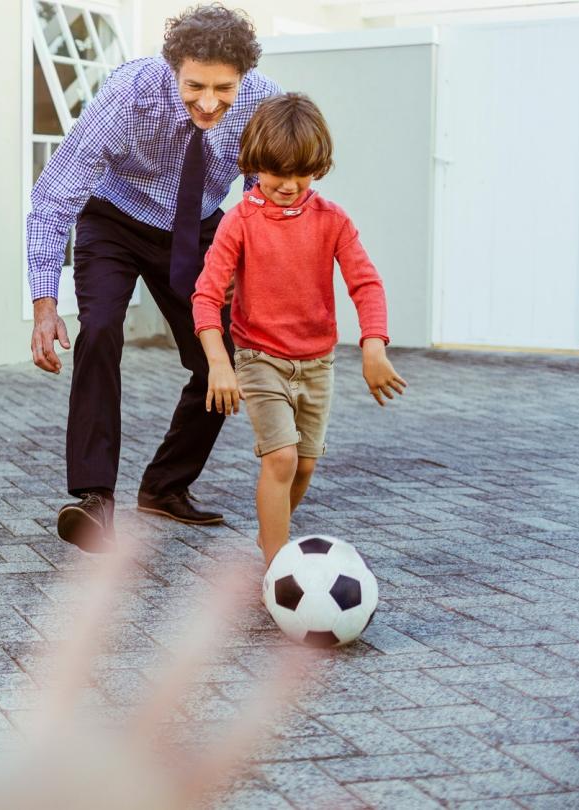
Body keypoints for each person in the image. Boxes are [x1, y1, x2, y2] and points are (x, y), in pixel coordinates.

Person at [27, 4, 281, 551]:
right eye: (195, 86)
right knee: (99, 331)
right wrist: (44, 302)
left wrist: (246, 262)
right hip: (114, 219)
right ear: (174, 67)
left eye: (223, 88)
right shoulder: (129, 94)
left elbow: (263, 187)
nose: (209, 102)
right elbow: (55, 195)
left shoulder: (263, 98)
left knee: (224, 357)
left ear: (243, 77)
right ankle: (95, 500)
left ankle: (165, 486)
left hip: (196, 226)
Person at [191, 93, 407, 566]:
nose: (288, 186)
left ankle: (272, 533)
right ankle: (277, 566)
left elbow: (366, 283)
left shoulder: (333, 221)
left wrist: (374, 346)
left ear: (319, 168)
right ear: (256, 165)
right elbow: (206, 296)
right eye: (276, 173)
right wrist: (218, 363)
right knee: (282, 459)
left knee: (305, 465)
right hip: (259, 358)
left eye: (300, 174)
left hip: (317, 363)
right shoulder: (239, 222)